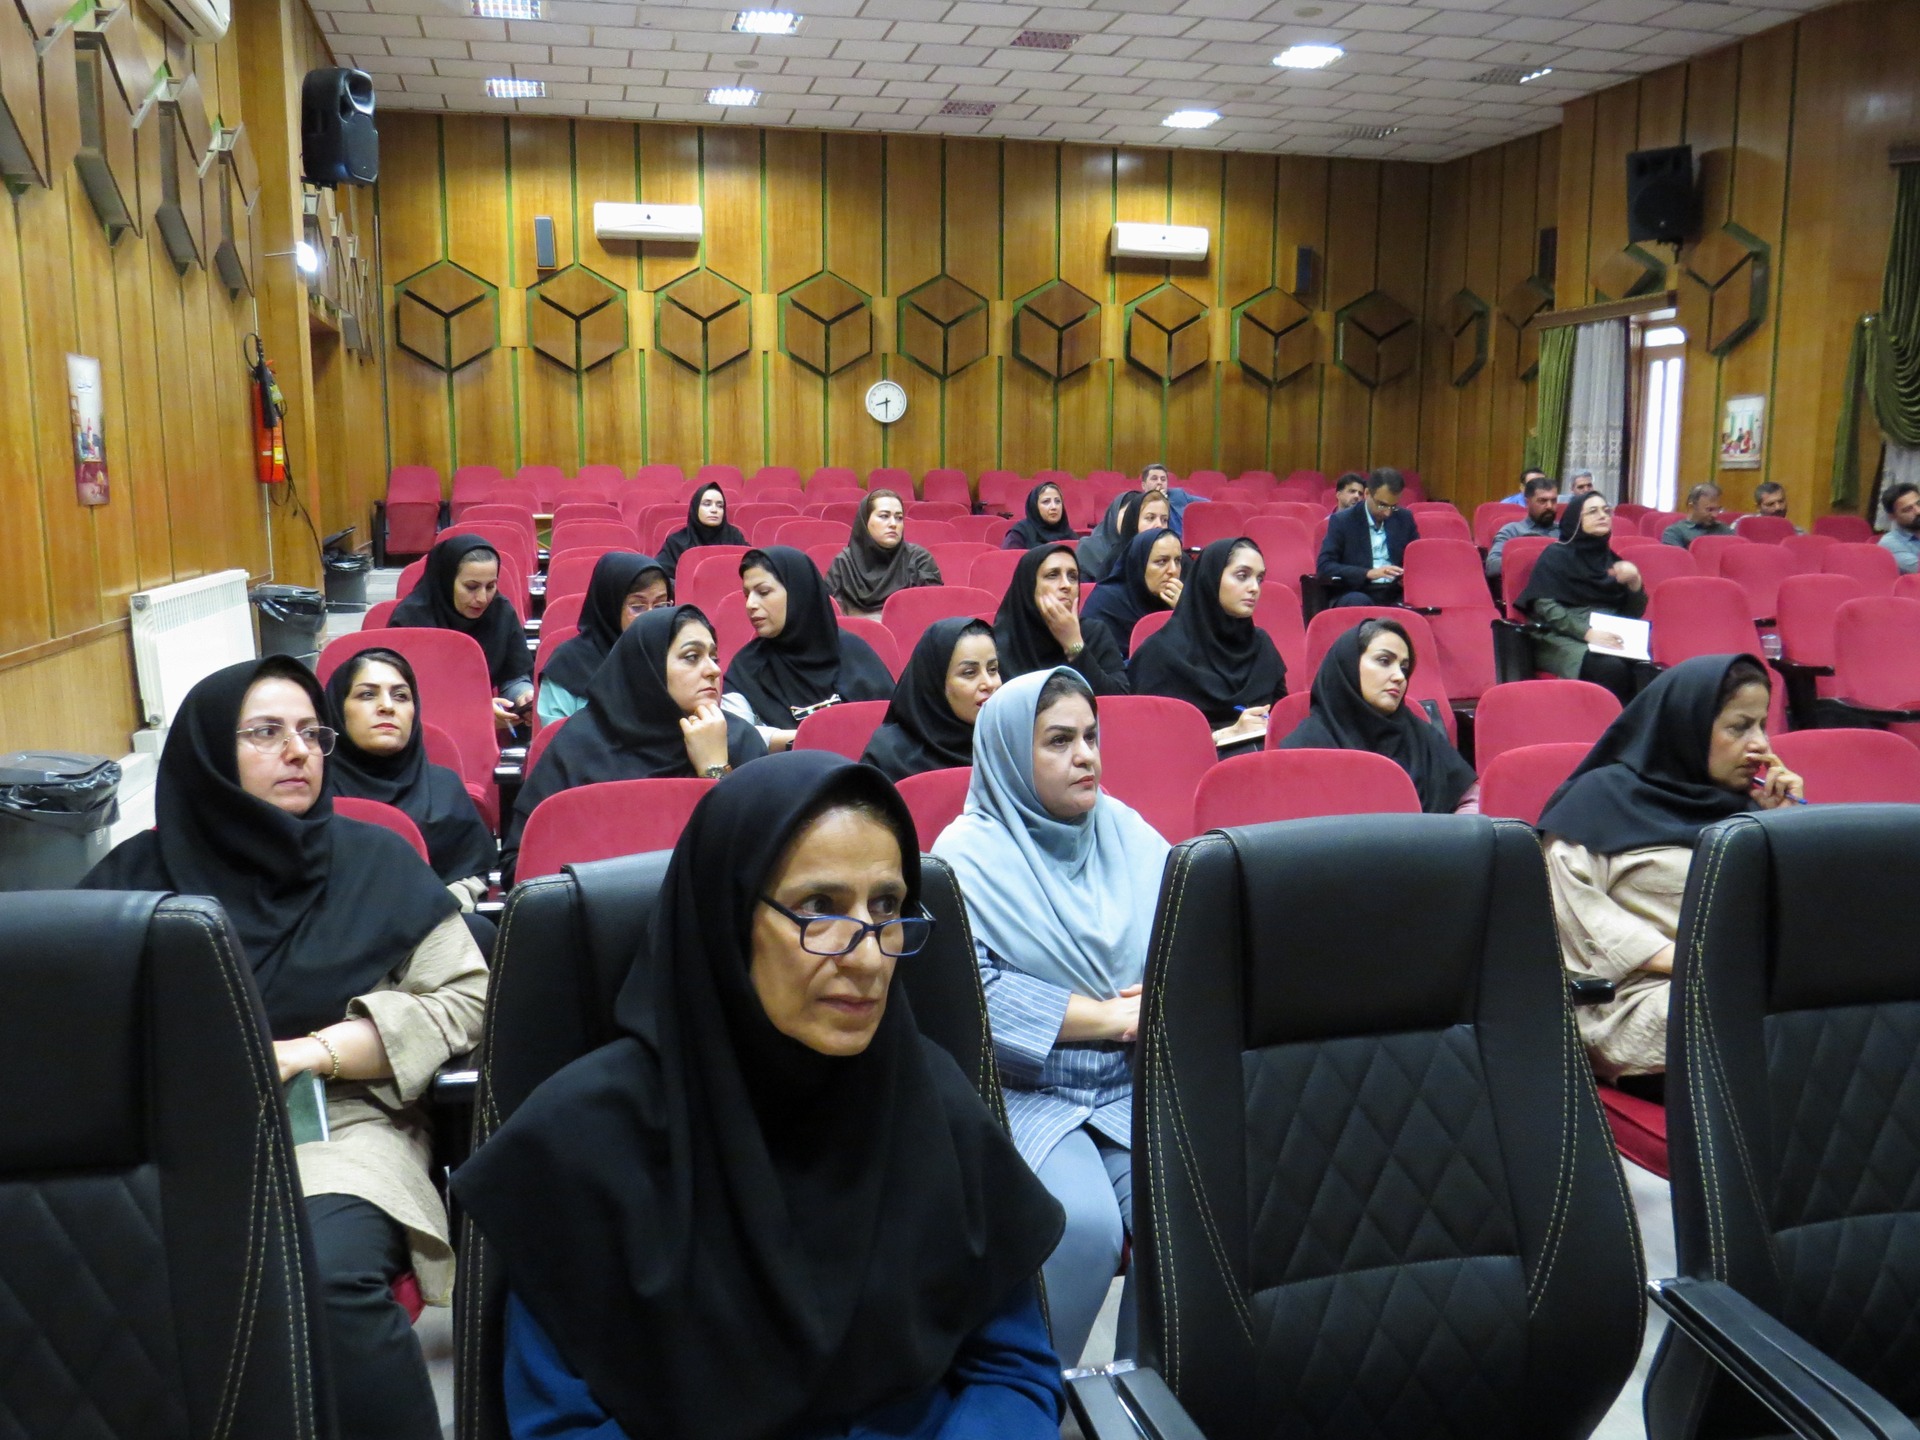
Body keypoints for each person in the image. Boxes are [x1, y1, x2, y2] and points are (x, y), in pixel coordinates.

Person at [457, 753, 1068, 1440]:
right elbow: (561, 1426)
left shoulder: (932, 1099)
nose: (869, 957)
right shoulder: (579, 1145)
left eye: (886, 908)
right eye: (819, 908)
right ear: (729, 919)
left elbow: (1014, 1372)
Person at [81, 657, 487, 1440]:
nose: (298, 751)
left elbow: (464, 998)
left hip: (340, 1126)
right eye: (265, 733)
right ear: (210, 754)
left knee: (320, 1276)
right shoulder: (132, 881)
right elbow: (73, 1023)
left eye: (310, 732)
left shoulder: (377, 863)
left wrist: (317, 1051)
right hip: (175, 1135)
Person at [933, 669, 1171, 1368]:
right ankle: (1035, 1392)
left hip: (1131, 1079)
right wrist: (1108, 1016)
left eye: (1091, 737)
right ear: (1011, 754)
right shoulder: (965, 857)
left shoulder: (1126, 832)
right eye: (1060, 741)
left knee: (1181, 1221)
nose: (1086, 756)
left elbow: (1190, 932)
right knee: (1081, 1229)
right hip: (1024, 1088)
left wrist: (1158, 998)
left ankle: (1139, 1393)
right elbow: (974, 996)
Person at [1539, 655, 1803, 1084]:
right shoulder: (1598, 802)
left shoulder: (1746, 809)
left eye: (1761, 726)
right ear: (1687, 725)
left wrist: (1785, 827)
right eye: (1739, 727)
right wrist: (1705, 963)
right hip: (1635, 1002)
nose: (1760, 746)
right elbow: (1574, 918)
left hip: (1748, 986)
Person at [501, 606, 769, 885]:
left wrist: (714, 769)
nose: (713, 670)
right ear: (647, 666)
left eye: (714, 657)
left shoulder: (739, 740)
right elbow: (520, 865)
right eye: (692, 657)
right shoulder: (579, 745)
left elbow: (760, 860)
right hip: (594, 907)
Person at [323, 648, 495, 906]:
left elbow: (473, 876)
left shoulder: (444, 788)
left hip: (434, 923)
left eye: (401, 696)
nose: (387, 706)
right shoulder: (312, 790)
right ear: (337, 708)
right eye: (367, 694)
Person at [1279, 620, 1479, 813]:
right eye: (1384, 661)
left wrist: (1452, 832)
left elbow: (1472, 801)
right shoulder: (1304, 746)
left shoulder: (1423, 736)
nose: (1399, 677)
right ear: (1349, 664)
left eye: (1404, 668)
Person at [725, 545, 895, 750]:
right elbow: (736, 737)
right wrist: (817, 737)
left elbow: (894, 728)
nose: (750, 604)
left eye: (763, 592)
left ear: (798, 593)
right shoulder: (745, 668)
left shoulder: (856, 653)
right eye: (747, 595)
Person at [1129, 538, 1285, 754]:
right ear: (1211, 578)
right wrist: (1227, 733)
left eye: (1259, 579)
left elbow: (1282, 719)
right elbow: (1152, 740)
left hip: (1263, 762)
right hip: (1190, 767)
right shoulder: (1159, 653)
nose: (1254, 588)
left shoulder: (1261, 645)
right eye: (1242, 576)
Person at [1514, 491, 1651, 704]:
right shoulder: (1556, 555)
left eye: (1606, 511)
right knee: (1610, 668)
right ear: (1575, 520)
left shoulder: (1612, 561)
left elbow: (1631, 615)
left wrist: (1635, 583)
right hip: (1560, 636)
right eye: (1593, 511)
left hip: (1606, 636)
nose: (1602, 516)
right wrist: (1587, 633)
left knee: (1646, 669)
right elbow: (1546, 607)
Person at [388, 533, 533, 730]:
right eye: (471, 587)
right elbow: (400, 694)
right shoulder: (410, 619)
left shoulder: (501, 612)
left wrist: (522, 695)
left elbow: (513, 675)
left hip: (480, 732)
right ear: (447, 581)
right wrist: (472, 710)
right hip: (419, 728)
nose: (482, 598)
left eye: (491, 586)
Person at [536, 551, 672, 725]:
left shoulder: (674, 655)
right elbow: (556, 736)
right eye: (638, 606)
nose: (651, 617)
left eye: (661, 605)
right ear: (611, 607)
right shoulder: (568, 664)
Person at [862, 618, 1002, 782]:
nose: (989, 684)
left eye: (993, 669)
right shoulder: (889, 756)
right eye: (969, 673)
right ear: (935, 682)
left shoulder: (1008, 740)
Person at [992, 542, 1129, 696]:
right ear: (1028, 586)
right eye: (1052, 575)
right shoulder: (997, 643)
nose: (1066, 585)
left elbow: (1117, 699)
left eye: (1073, 577)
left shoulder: (1094, 633)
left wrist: (1074, 645)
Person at [827, 488, 943, 616]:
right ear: (865, 521)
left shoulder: (919, 560)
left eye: (899, 518)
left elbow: (932, 613)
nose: (893, 524)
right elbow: (831, 616)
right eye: (884, 516)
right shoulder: (843, 563)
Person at [1316, 467, 1419, 606]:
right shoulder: (1343, 521)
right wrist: (1368, 573)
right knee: (1359, 601)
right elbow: (1325, 566)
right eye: (1382, 505)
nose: (1388, 513)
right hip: (1357, 590)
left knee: (1414, 604)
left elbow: (1417, 561)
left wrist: (1407, 576)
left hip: (1394, 591)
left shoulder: (1404, 518)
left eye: (1393, 506)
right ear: (1367, 493)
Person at [1079, 529, 1182, 660]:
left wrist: (1184, 612)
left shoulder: (1180, 601)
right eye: (1161, 561)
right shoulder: (1105, 603)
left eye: (1177, 561)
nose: (1173, 570)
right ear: (1139, 564)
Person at [654, 482, 746, 579]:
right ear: (696, 508)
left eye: (720, 506)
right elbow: (661, 576)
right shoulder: (676, 542)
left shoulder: (734, 537)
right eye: (707, 504)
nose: (714, 510)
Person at [1487, 474, 1560, 579]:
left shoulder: (1565, 531)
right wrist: (1525, 558)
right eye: (1542, 501)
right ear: (1527, 502)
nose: (1549, 506)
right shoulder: (1512, 531)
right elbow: (1492, 566)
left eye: (1553, 501)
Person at [1097, 490, 1173, 579]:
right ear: (1134, 521)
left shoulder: (1177, 557)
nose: (1159, 525)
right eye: (1150, 518)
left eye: (1164, 520)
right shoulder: (1116, 560)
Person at [1001, 481, 1078, 550]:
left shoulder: (1070, 535)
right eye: (1046, 502)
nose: (1054, 507)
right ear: (1035, 506)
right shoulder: (1019, 534)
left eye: (1057, 501)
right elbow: (1010, 559)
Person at [1661, 483, 1734, 548]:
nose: (1715, 515)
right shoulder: (1674, 532)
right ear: (1692, 507)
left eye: (1718, 509)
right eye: (1709, 510)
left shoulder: (1724, 529)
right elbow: (1679, 558)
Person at [1880, 481, 1920, 574]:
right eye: (1908, 509)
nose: (1918, 511)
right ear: (1892, 516)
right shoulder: (1890, 543)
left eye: (1919, 503)